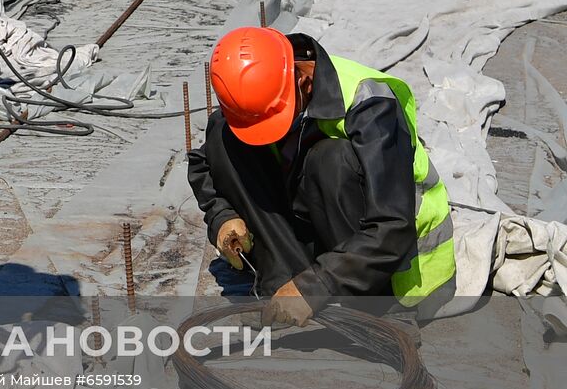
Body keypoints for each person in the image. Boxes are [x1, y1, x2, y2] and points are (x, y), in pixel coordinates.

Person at [188, 27, 457, 327]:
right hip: (321, 231)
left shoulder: (370, 105)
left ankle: (359, 308)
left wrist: (315, 287)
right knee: (226, 137)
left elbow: (392, 226)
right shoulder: (264, 88)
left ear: (303, 83)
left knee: (331, 161)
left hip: (390, 268)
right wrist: (222, 216)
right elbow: (205, 163)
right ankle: (283, 284)